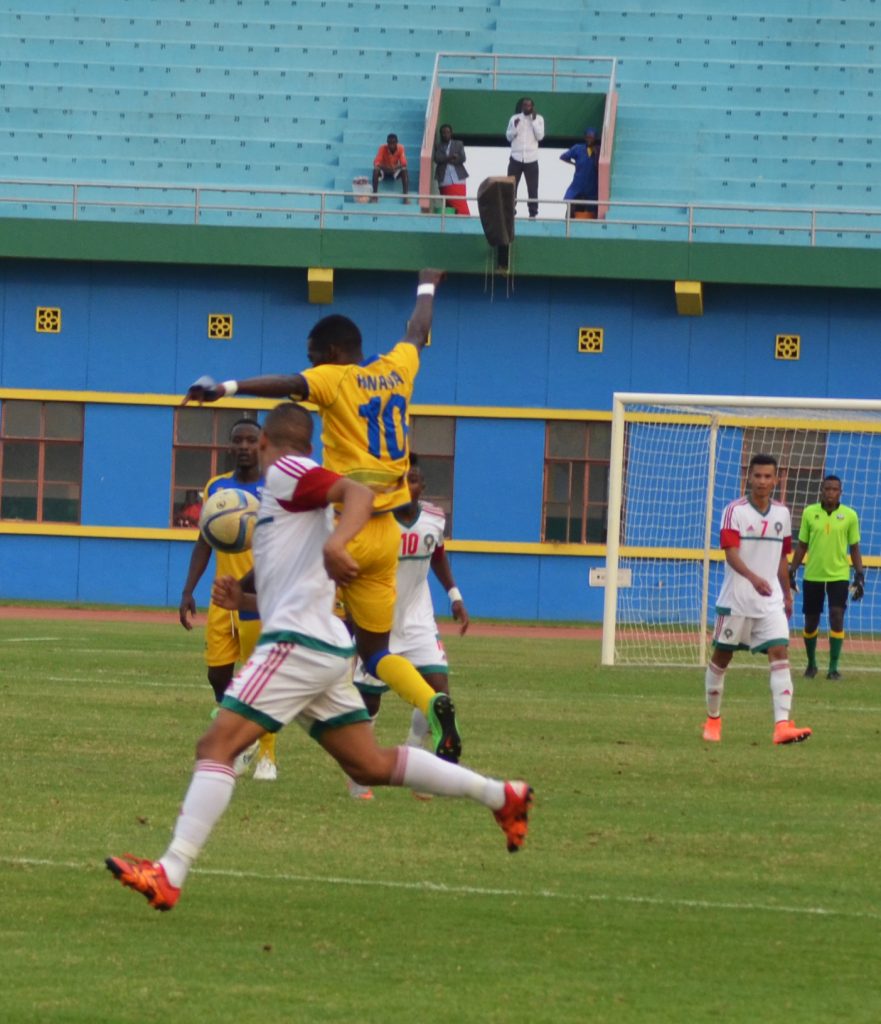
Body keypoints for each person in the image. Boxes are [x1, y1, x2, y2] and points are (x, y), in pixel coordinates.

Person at [105, 403, 533, 912]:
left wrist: (338, 541)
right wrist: (239, 599)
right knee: (370, 764)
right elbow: (290, 585)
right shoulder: (285, 504)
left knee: (216, 746)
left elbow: (357, 491)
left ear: (266, 443)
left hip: (299, 645)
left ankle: (170, 871)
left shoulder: (287, 470)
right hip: (325, 644)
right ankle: (502, 795)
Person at [182, 269, 461, 765]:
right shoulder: (398, 366)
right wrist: (427, 285)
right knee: (375, 651)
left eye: (313, 357)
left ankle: (239, 711)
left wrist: (226, 386)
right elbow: (417, 330)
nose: (308, 367)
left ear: (331, 354)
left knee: (280, 609)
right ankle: (428, 701)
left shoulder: (335, 377)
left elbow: (289, 384)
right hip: (386, 537)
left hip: (346, 528)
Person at [347, 456, 470, 799]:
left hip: (418, 619)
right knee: (369, 703)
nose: (406, 485)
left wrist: (455, 595)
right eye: (400, 479)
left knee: (437, 690)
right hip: (377, 619)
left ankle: (417, 761)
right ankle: (359, 775)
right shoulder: (373, 520)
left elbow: (437, 555)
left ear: (422, 486)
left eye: (412, 479)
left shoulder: (433, 518)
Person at [178, 418, 279, 780]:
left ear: (262, 444)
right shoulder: (217, 487)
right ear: (230, 445)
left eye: (251, 440)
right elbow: (205, 540)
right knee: (218, 675)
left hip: (257, 598)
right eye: (238, 440)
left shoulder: (275, 487)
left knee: (259, 679)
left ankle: (267, 754)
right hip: (222, 597)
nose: (243, 446)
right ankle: (244, 737)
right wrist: (188, 589)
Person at [702, 453, 812, 746]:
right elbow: (730, 553)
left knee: (780, 654)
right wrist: (754, 578)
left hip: (770, 602)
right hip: (736, 601)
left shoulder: (783, 514)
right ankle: (713, 719)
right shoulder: (734, 511)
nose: (762, 481)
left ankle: (782, 726)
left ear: (776, 480)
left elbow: (782, 557)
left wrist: (786, 593)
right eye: (757, 476)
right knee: (721, 659)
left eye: (768, 476)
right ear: (748, 478)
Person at [788, 475, 865, 680]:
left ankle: (833, 668)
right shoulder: (809, 513)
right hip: (813, 574)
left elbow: (854, 548)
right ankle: (812, 664)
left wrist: (860, 574)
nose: (831, 493)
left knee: (836, 616)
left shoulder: (850, 516)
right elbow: (802, 545)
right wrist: (792, 569)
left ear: (840, 492)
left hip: (839, 575)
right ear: (821, 491)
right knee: (811, 621)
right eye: (827, 489)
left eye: (835, 489)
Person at [505, 97, 544, 219]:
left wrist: (533, 122)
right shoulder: (515, 118)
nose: (526, 107)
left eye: (528, 105)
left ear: (532, 106)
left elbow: (540, 136)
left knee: (532, 187)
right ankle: (510, 210)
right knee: (511, 186)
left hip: (531, 159)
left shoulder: (539, 119)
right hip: (516, 158)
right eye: (524, 105)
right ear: (521, 106)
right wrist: (515, 128)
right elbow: (508, 137)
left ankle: (533, 212)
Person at [560, 127, 600, 220]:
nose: (589, 139)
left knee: (592, 207)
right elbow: (563, 156)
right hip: (578, 181)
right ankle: (567, 223)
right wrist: (574, 163)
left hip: (591, 183)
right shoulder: (578, 148)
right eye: (587, 137)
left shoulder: (599, 150)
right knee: (571, 203)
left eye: (591, 137)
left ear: (595, 138)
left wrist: (596, 153)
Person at [433, 123, 469, 216]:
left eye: (448, 132)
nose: (446, 134)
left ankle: (465, 219)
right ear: (441, 134)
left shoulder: (458, 144)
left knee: (460, 203)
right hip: (444, 179)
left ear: (451, 133)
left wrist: (445, 159)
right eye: (443, 133)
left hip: (458, 178)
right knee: (449, 204)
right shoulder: (438, 145)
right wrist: (450, 158)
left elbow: (462, 158)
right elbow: (437, 159)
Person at [372, 133, 409, 202]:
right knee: (375, 170)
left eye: (393, 143)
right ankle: (374, 195)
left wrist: (395, 167)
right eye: (389, 143)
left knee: (404, 170)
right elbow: (376, 162)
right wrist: (386, 168)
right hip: (384, 171)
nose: (391, 145)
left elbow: (404, 162)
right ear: (387, 143)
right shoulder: (382, 148)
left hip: (394, 171)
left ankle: (405, 196)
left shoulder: (401, 148)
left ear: (397, 142)